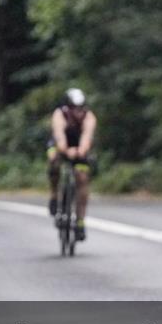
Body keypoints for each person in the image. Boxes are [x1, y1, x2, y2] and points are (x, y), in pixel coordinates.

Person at [47, 88, 97, 242]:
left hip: (78, 146)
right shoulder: (59, 115)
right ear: (67, 108)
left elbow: (87, 137)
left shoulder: (89, 117)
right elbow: (60, 137)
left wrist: (81, 151)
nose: (78, 112)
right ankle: (55, 195)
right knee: (53, 160)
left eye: (81, 108)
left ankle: (80, 221)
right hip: (60, 144)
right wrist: (65, 151)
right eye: (75, 108)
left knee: (82, 178)